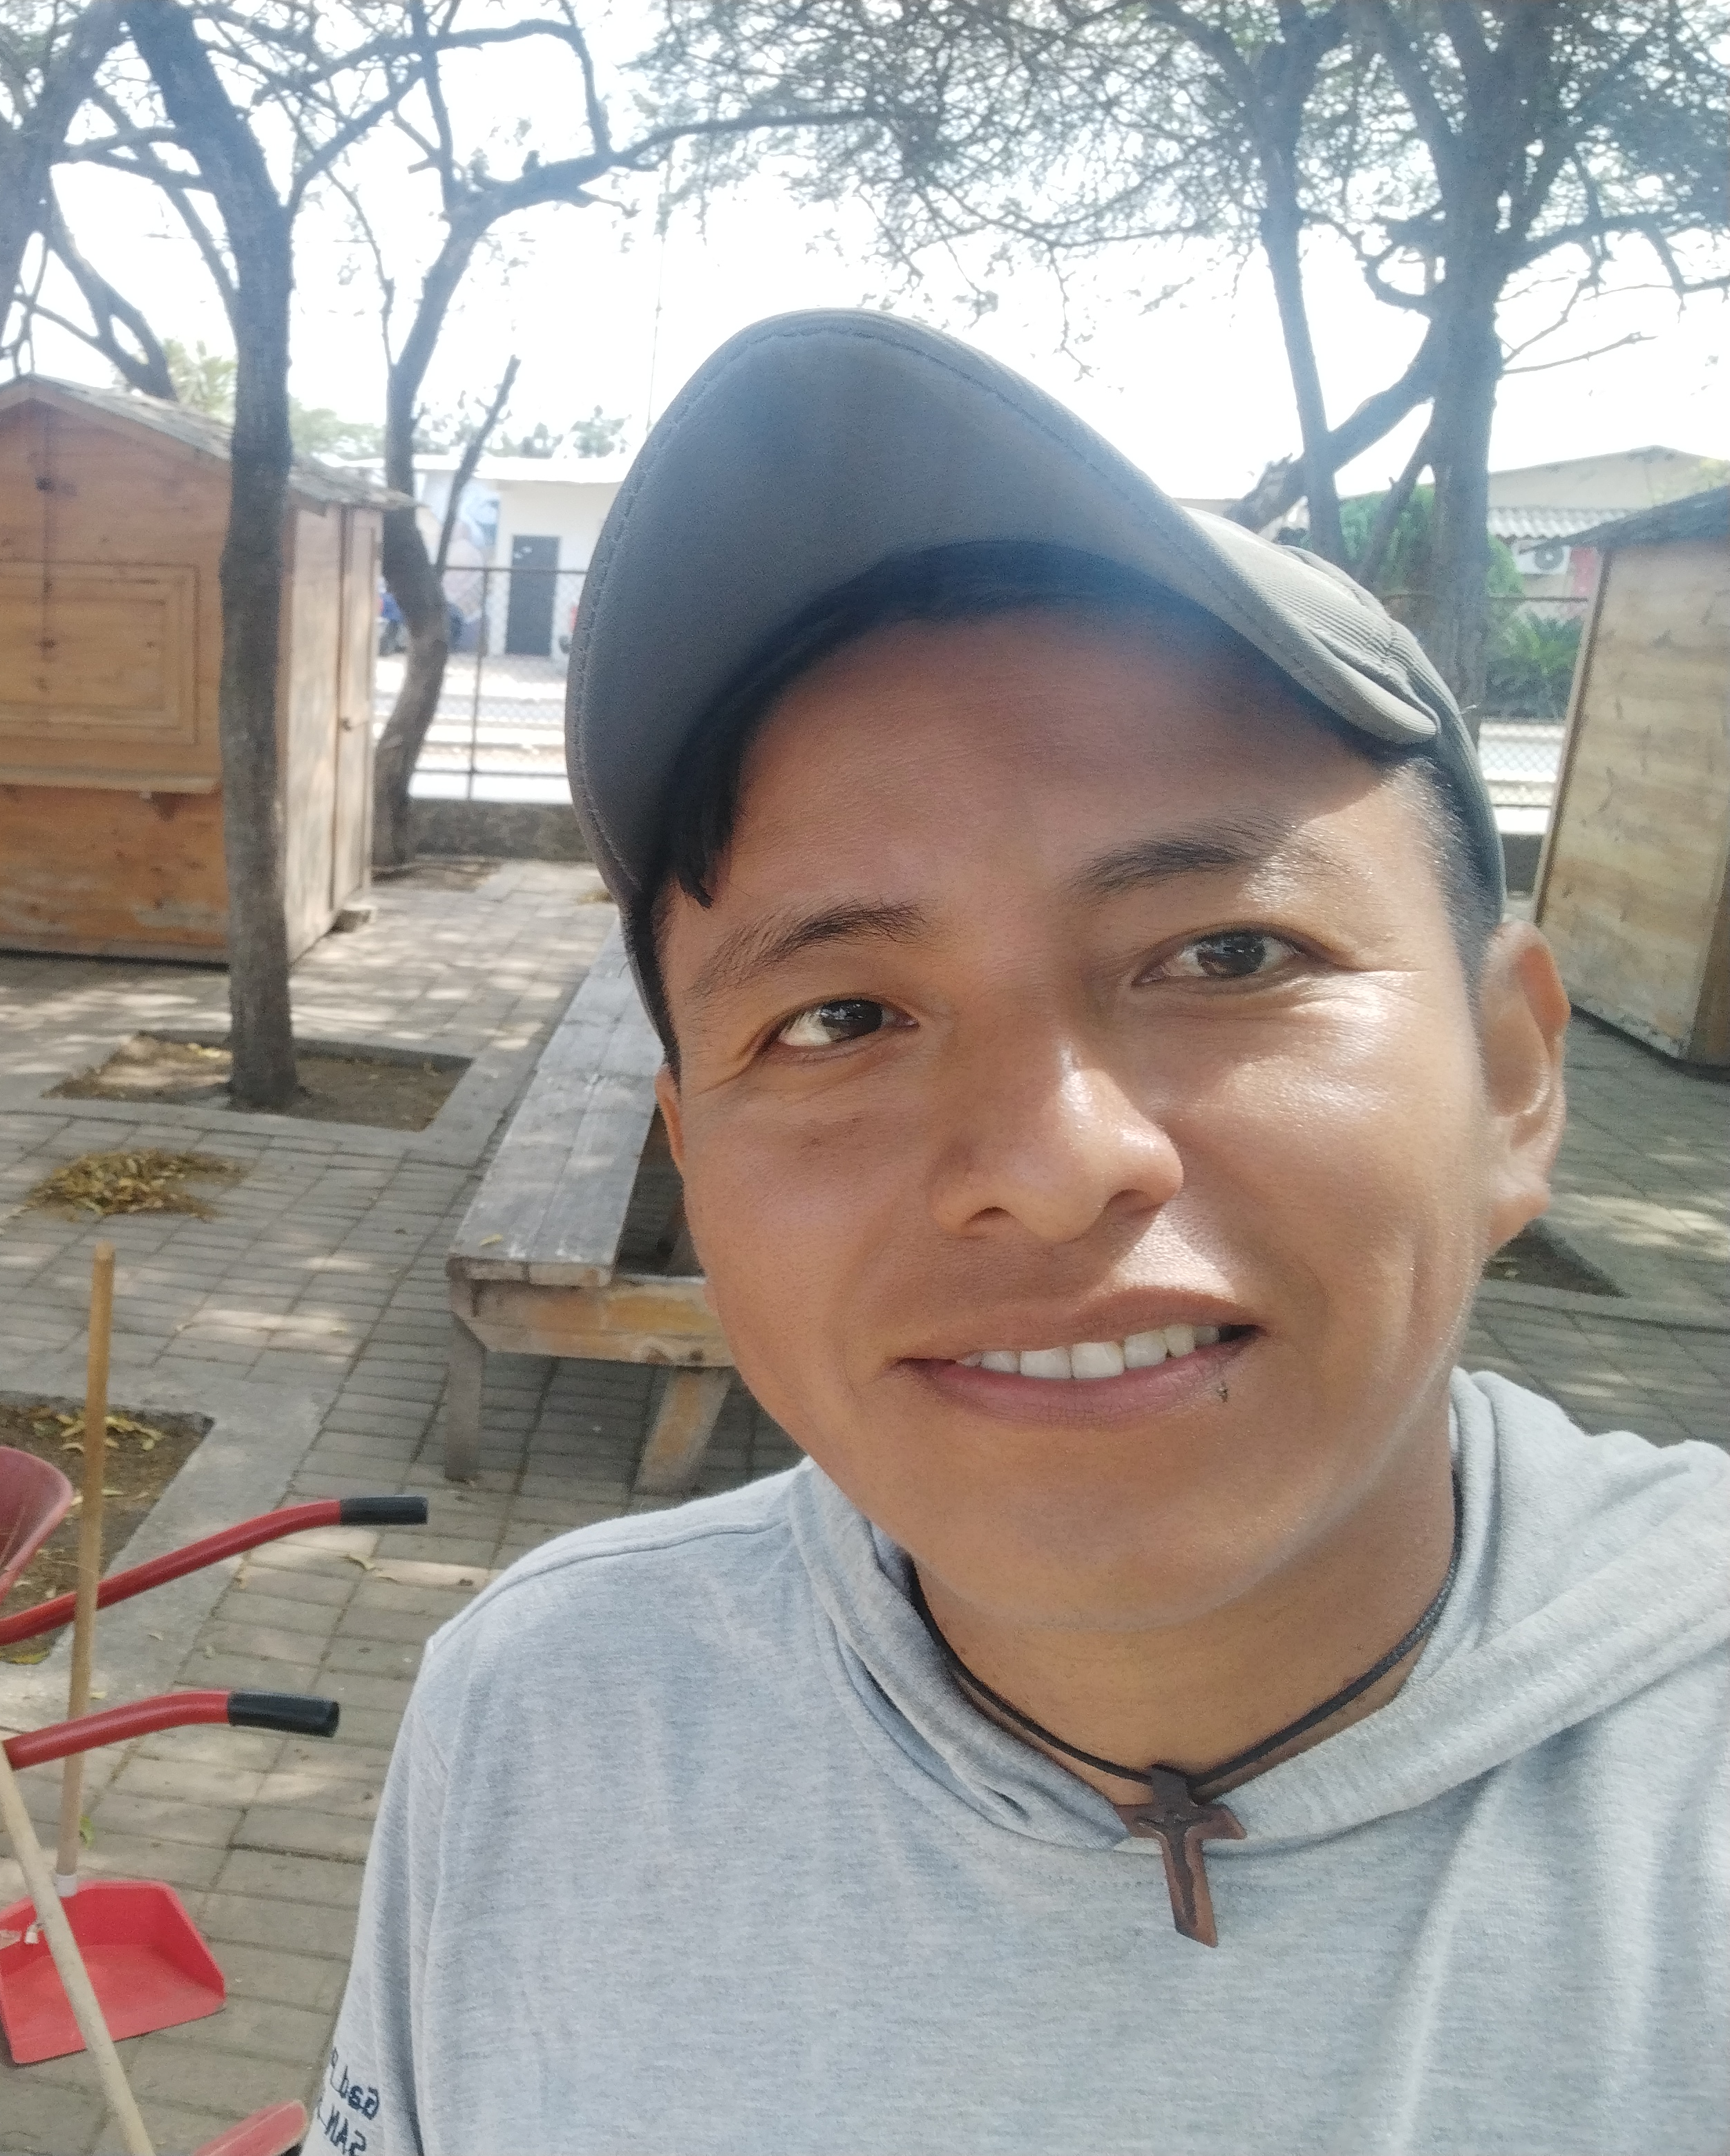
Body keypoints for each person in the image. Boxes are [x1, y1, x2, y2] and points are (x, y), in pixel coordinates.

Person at [316, 312, 1726, 2155]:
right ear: (697, 1169)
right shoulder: (549, 1707)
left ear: (1514, 1081)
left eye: (1227, 953)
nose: (1052, 1167)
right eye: (837, 1017)